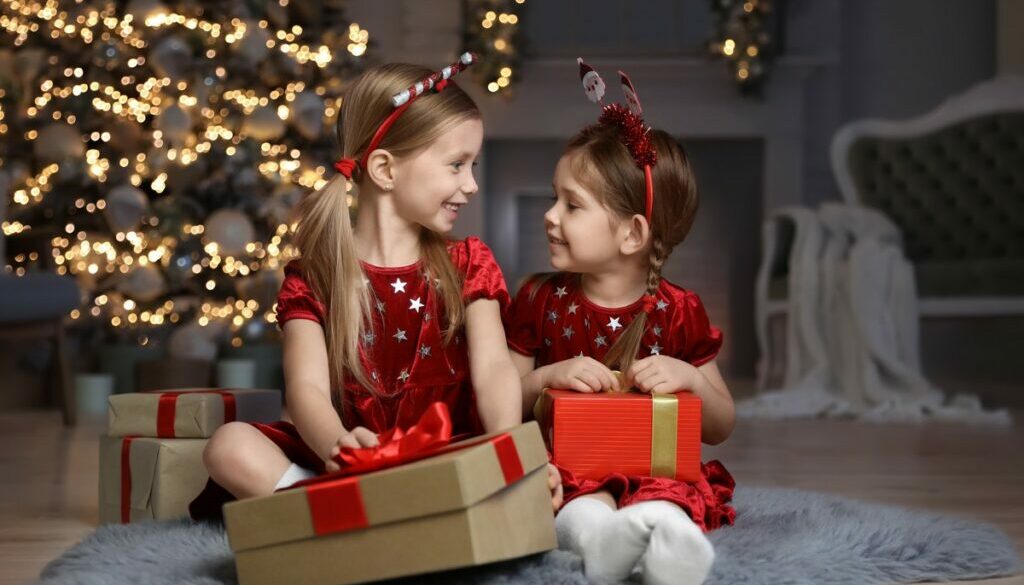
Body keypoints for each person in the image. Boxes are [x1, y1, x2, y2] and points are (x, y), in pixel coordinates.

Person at [190, 54, 527, 519]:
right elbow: (305, 389)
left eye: (473, 165)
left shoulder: (468, 262)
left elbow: (493, 370)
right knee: (228, 445)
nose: (470, 185)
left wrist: (505, 451)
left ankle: (340, 521)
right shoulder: (316, 277)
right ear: (386, 170)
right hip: (349, 464)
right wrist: (338, 449)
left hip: (444, 452)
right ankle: (349, 512)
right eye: (456, 165)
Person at [505, 59, 736, 585]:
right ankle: (600, 543)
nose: (550, 216)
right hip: (565, 472)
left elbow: (721, 427)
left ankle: (667, 547)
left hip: (652, 469)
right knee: (577, 504)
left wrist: (692, 379)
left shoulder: (678, 310)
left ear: (632, 235)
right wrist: (546, 377)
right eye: (553, 198)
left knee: (668, 500)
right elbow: (499, 400)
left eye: (572, 205)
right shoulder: (539, 299)